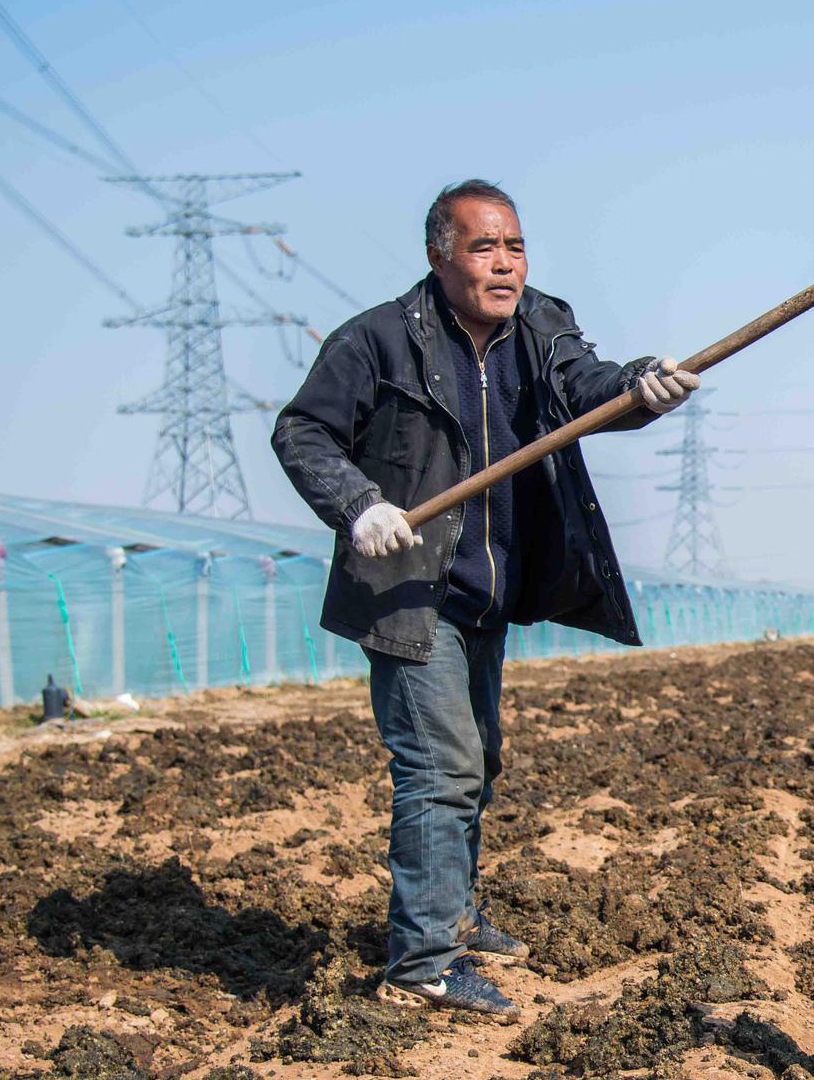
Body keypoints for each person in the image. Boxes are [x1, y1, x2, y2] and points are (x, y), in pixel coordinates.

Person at [272, 179, 698, 1020]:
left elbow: (588, 387)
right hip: (410, 590)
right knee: (440, 767)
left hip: (485, 591)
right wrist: (358, 504)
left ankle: (455, 914)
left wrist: (640, 386)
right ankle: (422, 966)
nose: (504, 264)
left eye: (515, 246)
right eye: (483, 247)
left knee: (479, 759)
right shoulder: (379, 339)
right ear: (441, 257)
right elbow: (303, 430)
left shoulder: (540, 324)